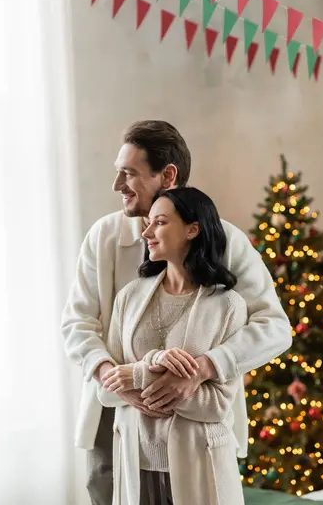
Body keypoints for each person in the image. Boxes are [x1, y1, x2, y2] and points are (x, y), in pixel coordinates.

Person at [61, 120, 292, 505]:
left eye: (129, 173)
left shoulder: (225, 240)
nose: (117, 186)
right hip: (115, 420)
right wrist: (116, 380)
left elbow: (274, 327)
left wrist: (205, 368)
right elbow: (78, 323)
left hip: (196, 423)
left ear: (167, 175)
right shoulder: (104, 237)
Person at [97, 187, 249, 505]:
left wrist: (141, 376)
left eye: (160, 223)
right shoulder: (129, 297)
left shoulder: (227, 305)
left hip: (201, 464)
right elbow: (108, 390)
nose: (147, 231)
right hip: (136, 466)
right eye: (149, 222)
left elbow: (219, 404)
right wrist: (153, 367)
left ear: (192, 229)